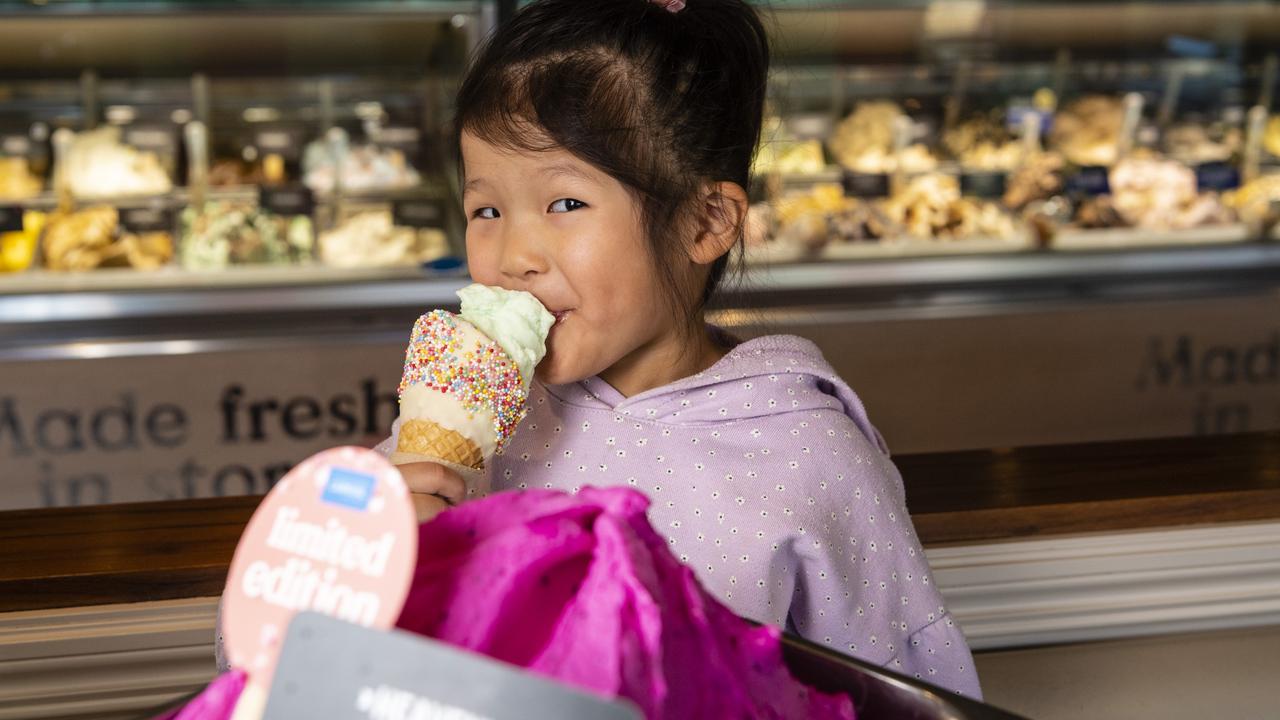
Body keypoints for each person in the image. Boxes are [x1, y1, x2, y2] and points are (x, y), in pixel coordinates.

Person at [390, 0, 983, 700]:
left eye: (565, 204)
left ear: (706, 222)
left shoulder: (810, 457)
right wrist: (391, 526)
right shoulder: (473, 419)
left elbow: (894, 692)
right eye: (486, 210)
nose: (513, 255)